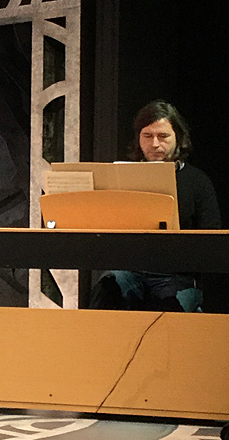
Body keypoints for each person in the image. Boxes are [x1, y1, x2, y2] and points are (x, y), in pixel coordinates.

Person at [89, 100, 221, 312]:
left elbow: (212, 234)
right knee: (107, 288)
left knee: (169, 305)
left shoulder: (197, 180)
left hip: (177, 274)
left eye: (163, 136)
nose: (155, 144)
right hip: (131, 270)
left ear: (178, 138)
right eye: (147, 136)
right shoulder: (123, 178)